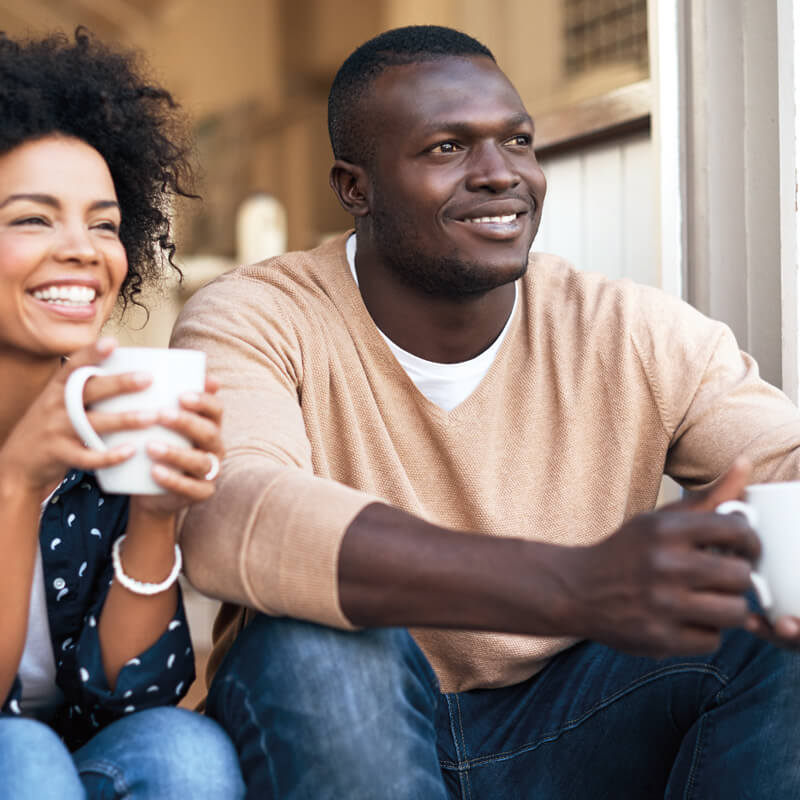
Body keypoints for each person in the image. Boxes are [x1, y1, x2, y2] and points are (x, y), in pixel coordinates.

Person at [173, 24, 800, 799]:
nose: (502, 174)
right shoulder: (255, 316)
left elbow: (783, 469)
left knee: (773, 614)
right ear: (354, 187)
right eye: (448, 148)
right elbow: (232, 518)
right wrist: (574, 582)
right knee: (314, 641)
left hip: (580, 722)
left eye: (519, 141)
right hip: (346, 720)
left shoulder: (631, 328)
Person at [0, 29, 244, 799]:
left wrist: (154, 514)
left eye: (103, 224)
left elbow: (128, 697)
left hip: (70, 764)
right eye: (33, 219)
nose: (82, 249)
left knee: (185, 752)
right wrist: (15, 481)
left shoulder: (104, 407)